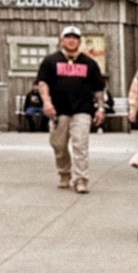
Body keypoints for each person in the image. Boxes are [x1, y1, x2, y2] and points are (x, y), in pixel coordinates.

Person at [35, 26, 107, 192]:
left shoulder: (89, 63)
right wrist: (46, 102)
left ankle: (81, 179)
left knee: (80, 145)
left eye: (75, 38)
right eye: (68, 37)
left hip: (82, 109)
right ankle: (64, 173)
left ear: (79, 41)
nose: (71, 40)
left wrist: (101, 108)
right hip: (58, 110)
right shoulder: (51, 61)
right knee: (58, 145)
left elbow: (98, 88)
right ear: (62, 40)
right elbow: (43, 83)